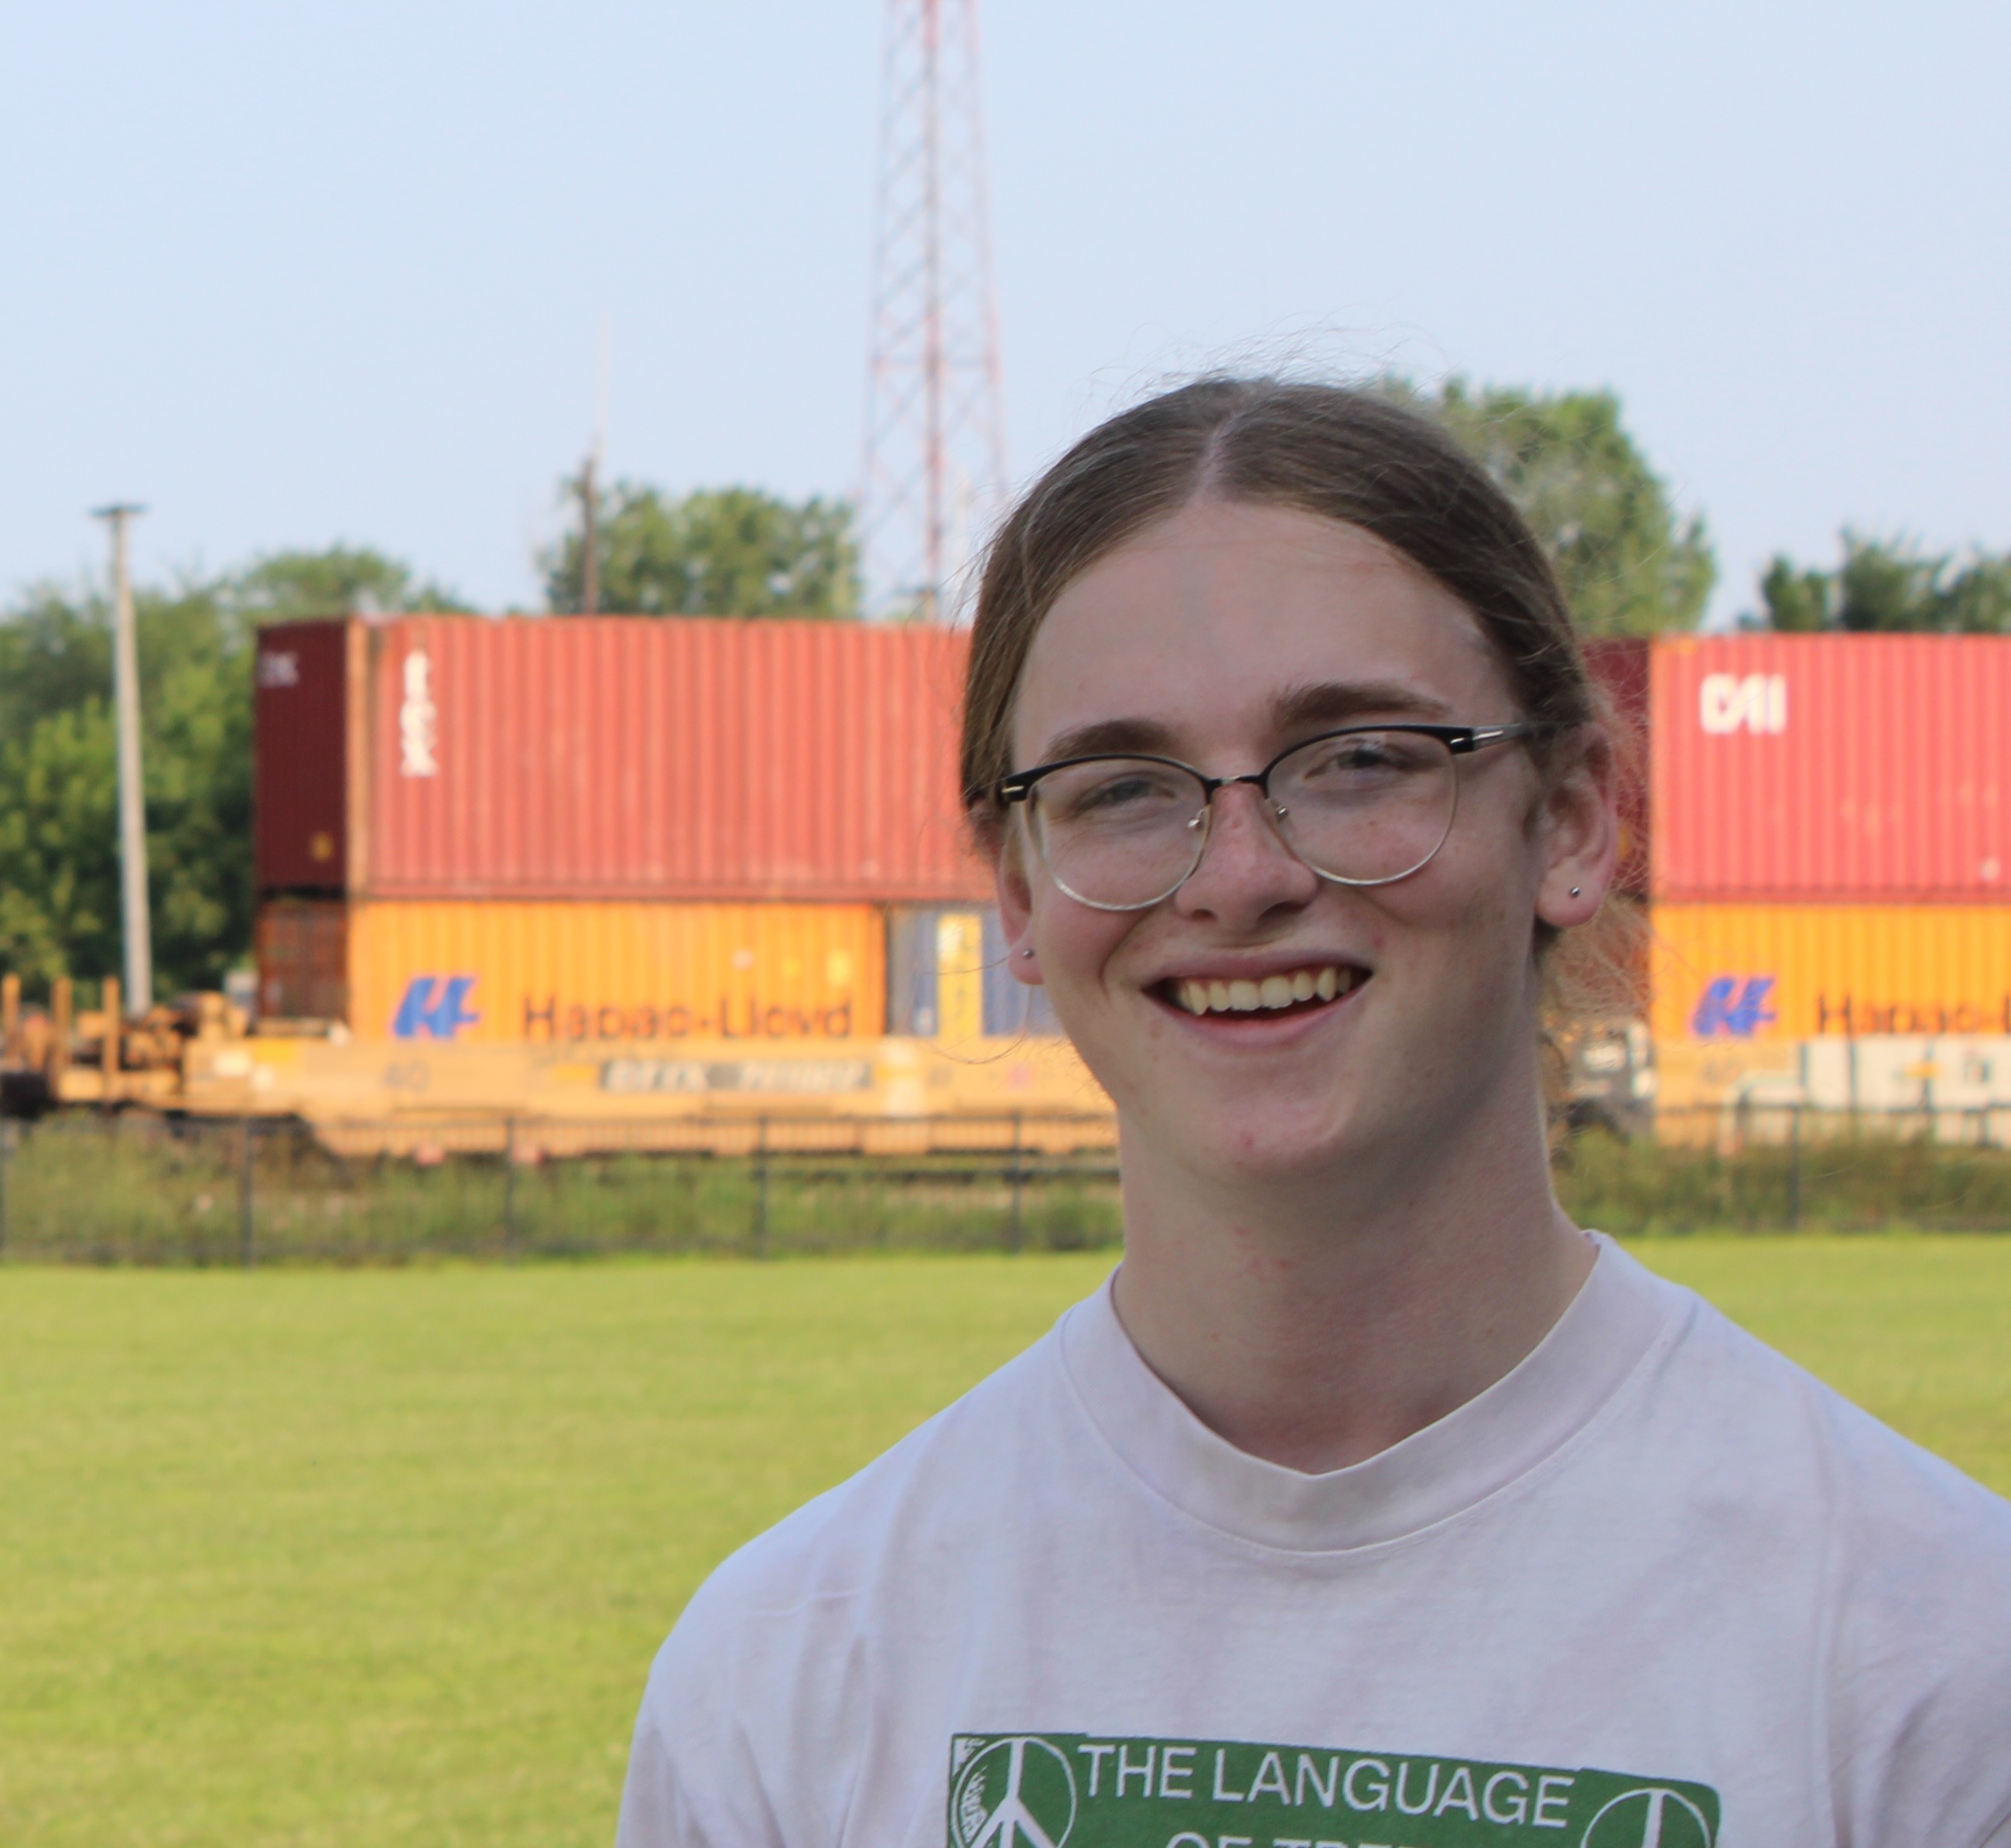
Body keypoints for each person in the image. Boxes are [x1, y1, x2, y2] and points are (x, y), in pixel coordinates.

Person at [618, 378, 2011, 1848]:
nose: (1237, 876)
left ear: (1579, 819)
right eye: (1122, 787)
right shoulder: (786, 1676)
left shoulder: (1934, 1659)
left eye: (1357, 760)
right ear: (1019, 893)